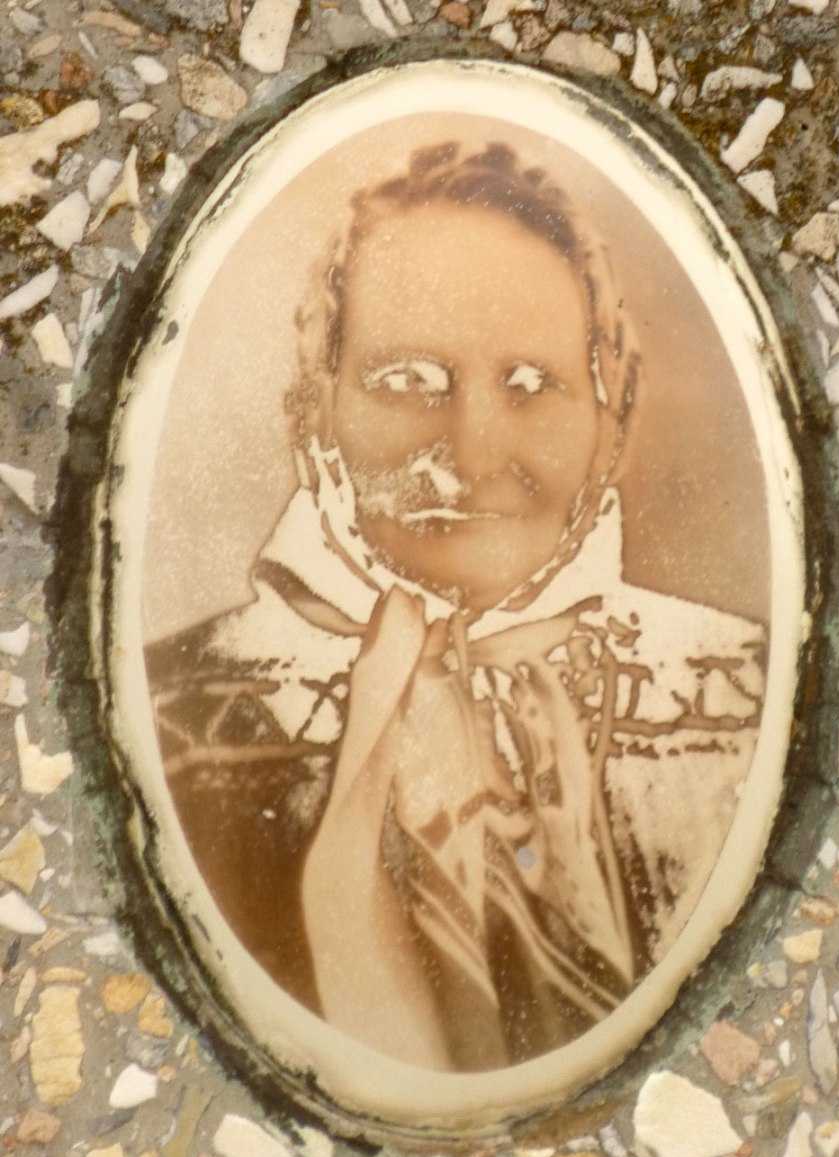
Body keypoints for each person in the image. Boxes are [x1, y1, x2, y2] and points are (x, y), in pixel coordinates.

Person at [146, 142, 767, 1072]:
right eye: (407, 383)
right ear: (316, 407)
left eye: (530, 386)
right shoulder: (173, 710)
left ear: (611, 412)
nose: (470, 452)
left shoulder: (745, 700)